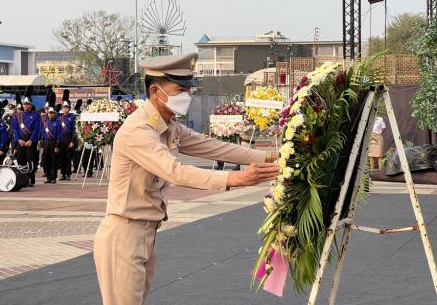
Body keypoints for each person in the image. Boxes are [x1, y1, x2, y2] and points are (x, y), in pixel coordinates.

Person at [93, 53, 280, 305]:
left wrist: (273, 157)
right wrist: (235, 179)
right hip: (125, 233)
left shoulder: (168, 125)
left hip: (145, 233)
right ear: (156, 90)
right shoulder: (139, 130)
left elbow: (214, 147)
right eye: (180, 89)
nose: (186, 97)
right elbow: (175, 171)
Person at [11, 97, 41, 187]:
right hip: (20, 141)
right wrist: (18, 139)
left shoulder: (35, 116)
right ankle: (23, 180)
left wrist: (31, 140)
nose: (26, 106)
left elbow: (37, 130)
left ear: (31, 105)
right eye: (24, 104)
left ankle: (31, 179)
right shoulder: (17, 116)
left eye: (28, 104)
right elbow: (14, 129)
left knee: (30, 160)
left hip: (30, 141)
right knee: (21, 161)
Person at [40, 107, 61, 184]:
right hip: (46, 143)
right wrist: (42, 146)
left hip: (54, 142)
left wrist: (57, 146)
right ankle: (48, 177)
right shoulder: (45, 122)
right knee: (47, 160)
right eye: (49, 113)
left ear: (54, 114)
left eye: (52, 113)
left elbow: (59, 135)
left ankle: (53, 178)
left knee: (54, 161)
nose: (51, 115)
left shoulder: (57, 122)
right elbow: (43, 134)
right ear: (47, 114)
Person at [58, 101, 76, 180]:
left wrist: (72, 141)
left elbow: (74, 130)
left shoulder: (72, 117)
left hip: (69, 140)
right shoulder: (60, 118)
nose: (65, 109)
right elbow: (57, 130)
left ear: (69, 108)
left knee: (68, 158)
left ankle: (68, 174)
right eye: (64, 107)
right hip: (61, 140)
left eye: (67, 107)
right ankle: (63, 174)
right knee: (61, 158)